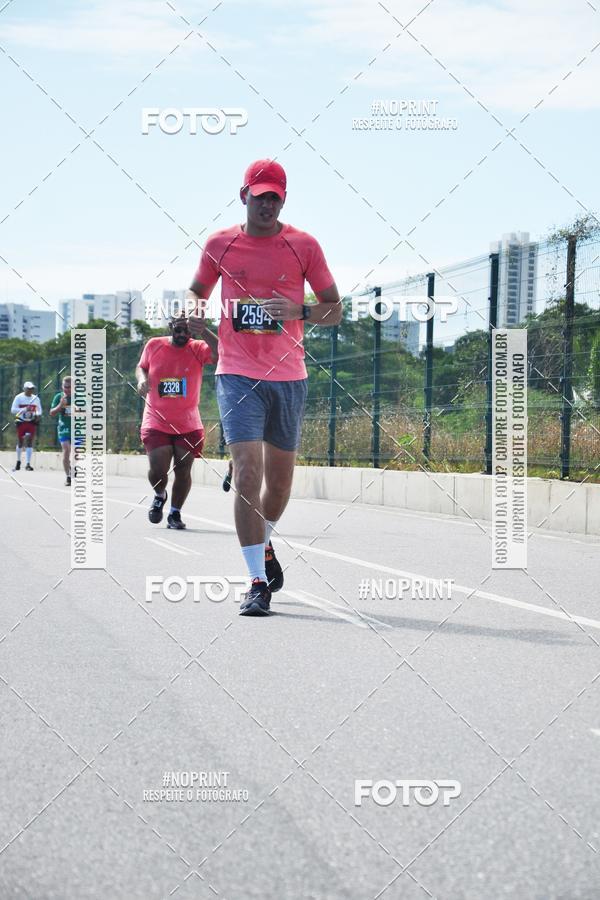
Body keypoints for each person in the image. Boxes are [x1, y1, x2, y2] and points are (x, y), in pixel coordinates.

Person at [188, 158, 341, 616]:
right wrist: (195, 309)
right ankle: (256, 581)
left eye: (275, 197)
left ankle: (265, 543)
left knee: (278, 485)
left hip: (289, 377)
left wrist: (298, 311)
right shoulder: (220, 243)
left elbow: (335, 309)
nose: (268, 204)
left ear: (283, 200)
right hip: (236, 373)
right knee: (247, 472)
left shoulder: (303, 246)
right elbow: (196, 290)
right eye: (261, 196)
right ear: (244, 197)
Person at [135, 313, 218, 529]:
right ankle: (160, 494)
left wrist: (203, 331)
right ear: (171, 326)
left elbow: (222, 353)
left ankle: (175, 513)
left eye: (187, 331)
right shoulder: (154, 345)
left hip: (188, 423)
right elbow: (141, 366)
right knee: (158, 469)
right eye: (178, 329)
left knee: (183, 471)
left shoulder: (198, 347)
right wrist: (142, 380)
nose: (182, 334)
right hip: (156, 420)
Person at [11, 381, 42, 471]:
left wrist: (37, 415)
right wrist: (24, 409)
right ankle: (18, 461)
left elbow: (39, 410)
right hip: (21, 421)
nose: (30, 390)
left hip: (31, 422)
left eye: (32, 389)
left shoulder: (36, 399)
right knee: (20, 441)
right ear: (24, 389)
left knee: (29, 440)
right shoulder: (19, 398)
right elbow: (13, 410)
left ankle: (28, 464)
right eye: (28, 389)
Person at [49, 375, 73, 485]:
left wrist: (74, 410)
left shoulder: (80, 397)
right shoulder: (58, 397)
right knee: (66, 450)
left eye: (69, 387)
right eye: (65, 386)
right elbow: (52, 413)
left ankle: (73, 468)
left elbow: (88, 413)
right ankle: (68, 477)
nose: (67, 389)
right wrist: (60, 405)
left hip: (77, 430)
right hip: (64, 429)